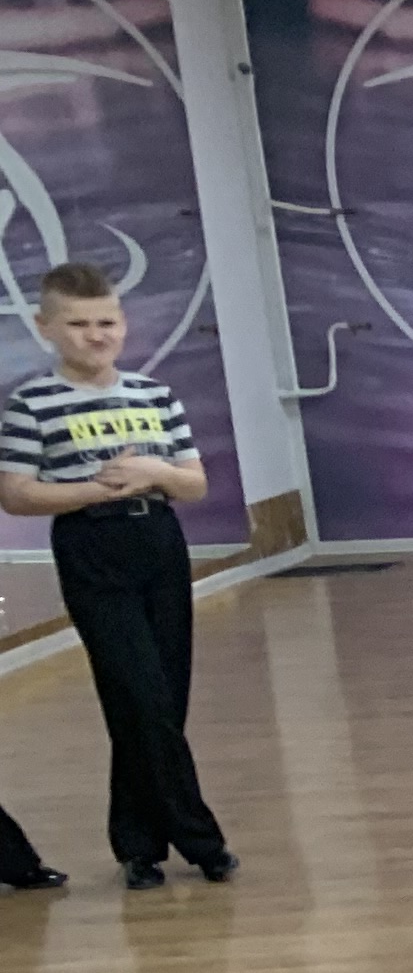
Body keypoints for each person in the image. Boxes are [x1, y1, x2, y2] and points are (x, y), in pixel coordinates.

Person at [2, 262, 234, 888]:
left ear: (123, 324)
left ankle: (139, 847)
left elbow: (194, 482)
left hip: (158, 541)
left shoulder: (155, 394)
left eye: (106, 322)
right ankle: (201, 839)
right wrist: (95, 488)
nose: (95, 335)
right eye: (79, 324)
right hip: (91, 545)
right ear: (46, 327)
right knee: (138, 694)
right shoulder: (31, 403)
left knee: (164, 699)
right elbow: (16, 494)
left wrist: (153, 475)